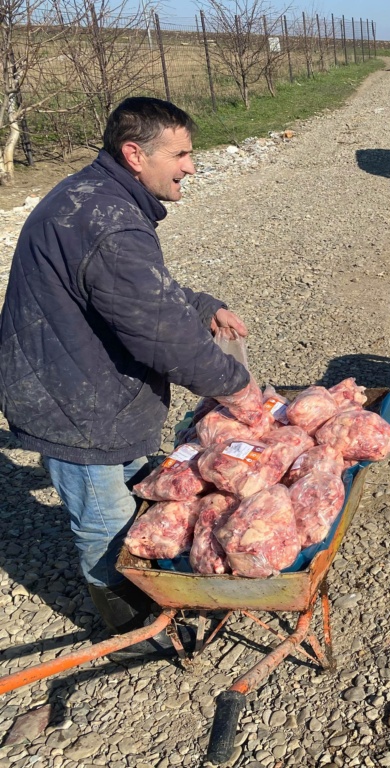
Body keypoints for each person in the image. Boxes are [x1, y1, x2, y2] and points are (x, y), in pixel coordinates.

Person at [0, 97, 252, 657]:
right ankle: (128, 627)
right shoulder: (109, 221)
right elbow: (159, 331)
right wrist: (235, 387)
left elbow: (136, 290)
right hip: (71, 401)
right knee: (105, 522)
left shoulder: (100, 197)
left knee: (137, 490)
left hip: (77, 376)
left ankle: (148, 583)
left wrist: (201, 304)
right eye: (181, 154)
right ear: (135, 154)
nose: (191, 165)